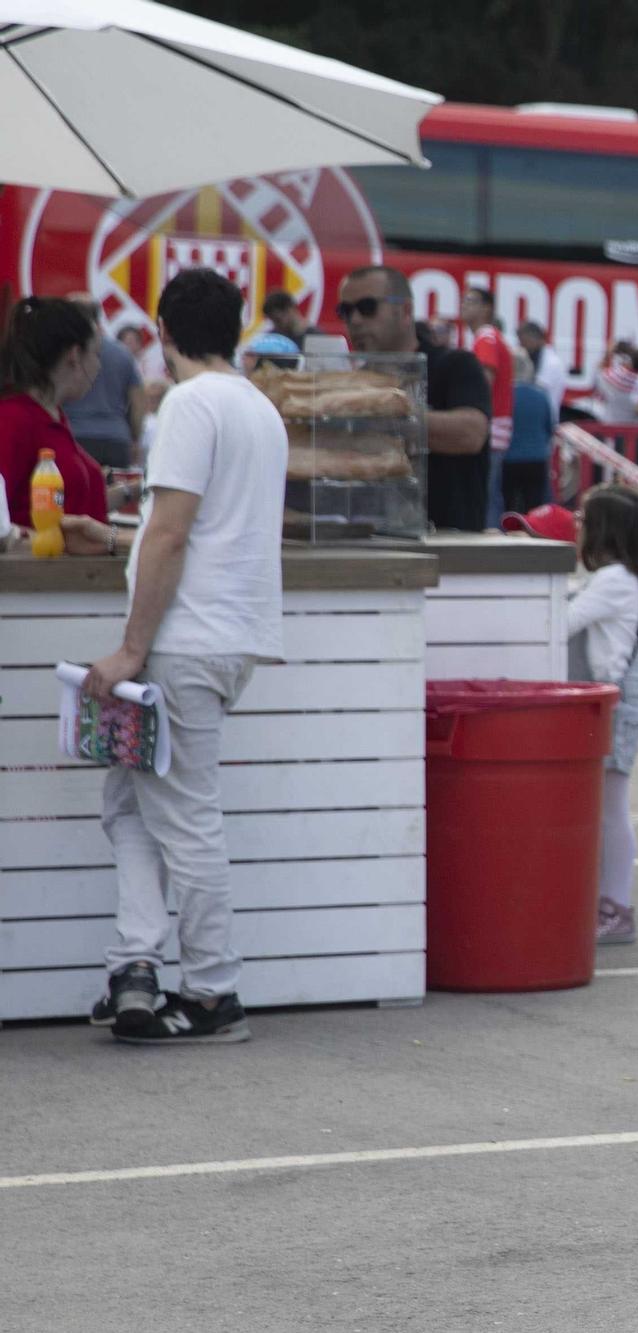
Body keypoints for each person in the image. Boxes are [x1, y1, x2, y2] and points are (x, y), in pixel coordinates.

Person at [64, 267, 287, 1045]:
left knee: (187, 820)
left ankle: (214, 991)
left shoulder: (191, 404)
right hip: (228, 636)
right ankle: (134, 965)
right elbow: (206, 528)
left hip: (183, 643)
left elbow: (176, 530)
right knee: (130, 803)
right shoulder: (259, 408)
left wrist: (132, 646)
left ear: (162, 333)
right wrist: (119, 537)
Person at [560, 488, 638, 945]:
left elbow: (563, 622)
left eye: (582, 519)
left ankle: (616, 907)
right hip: (610, 704)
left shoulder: (615, 580)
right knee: (605, 808)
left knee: (612, 809)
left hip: (615, 709)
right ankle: (606, 902)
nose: (576, 527)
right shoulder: (616, 579)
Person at [337, 265, 491, 531]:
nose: (356, 320)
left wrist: (384, 414)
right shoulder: (357, 381)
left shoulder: (454, 364)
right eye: (346, 311)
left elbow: (471, 433)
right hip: (372, 537)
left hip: (450, 543)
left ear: (405, 311)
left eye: (367, 307)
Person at [0, 295, 112, 528]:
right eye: (96, 354)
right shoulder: (13, 420)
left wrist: (136, 491)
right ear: (74, 355)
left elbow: (69, 506)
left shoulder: (52, 416)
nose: (99, 366)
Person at [63, 294, 146, 469]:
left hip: (73, 437)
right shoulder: (122, 353)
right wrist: (135, 438)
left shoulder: (63, 353)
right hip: (116, 440)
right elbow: (138, 404)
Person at [461, 288, 514, 530]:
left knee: (486, 492)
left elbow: (484, 381)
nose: (464, 305)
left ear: (487, 308)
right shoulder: (490, 337)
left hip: (490, 426)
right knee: (491, 491)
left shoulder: (485, 338)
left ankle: (490, 538)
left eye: (470, 301)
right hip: (497, 425)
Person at [502, 349, 554, 515]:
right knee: (535, 506)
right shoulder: (541, 395)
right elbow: (550, 426)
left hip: (509, 458)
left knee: (508, 505)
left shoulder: (504, 395)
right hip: (537, 457)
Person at [518, 320, 568, 417]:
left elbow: (537, 390)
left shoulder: (551, 363)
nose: (522, 346)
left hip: (544, 418)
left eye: (524, 341)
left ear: (534, 339)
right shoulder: (536, 358)